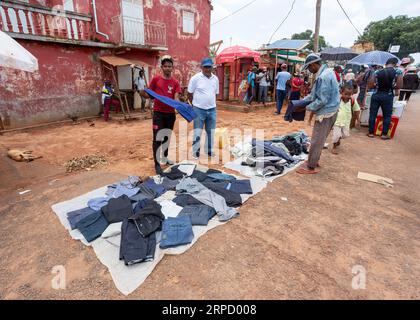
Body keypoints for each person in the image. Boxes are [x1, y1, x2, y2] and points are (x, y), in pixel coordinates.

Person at [296, 53, 340, 175]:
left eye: (309, 68)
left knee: (316, 140)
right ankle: (315, 160)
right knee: (321, 139)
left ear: (314, 65)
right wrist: (302, 101)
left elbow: (322, 100)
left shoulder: (323, 77)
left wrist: (306, 107)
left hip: (326, 113)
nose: (310, 71)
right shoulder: (327, 72)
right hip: (332, 110)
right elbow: (315, 94)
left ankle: (310, 167)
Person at [141, 55, 181, 174]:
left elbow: (176, 98)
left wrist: (179, 106)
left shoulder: (175, 82)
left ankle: (164, 157)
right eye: (166, 66)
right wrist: (142, 93)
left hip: (170, 114)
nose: (168, 68)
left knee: (167, 138)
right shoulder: (156, 80)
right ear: (162, 67)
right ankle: (157, 164)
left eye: (170, 66)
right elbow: (150, 94)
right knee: (157, 139)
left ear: (172, 68)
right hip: (158, 114)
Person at [188, 57, 220, 159]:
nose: (207, 69)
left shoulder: (215, 79)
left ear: (212, 67)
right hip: (198, 110)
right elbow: (189, 93)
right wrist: (194, 105)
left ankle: (209, 150)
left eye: (209, 67)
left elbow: (216, 94)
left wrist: (212, 104)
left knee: (210, 131)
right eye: (205, 67)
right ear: (201, 67)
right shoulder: (195, 78)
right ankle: (196, 151)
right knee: (198, 131)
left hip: (212, 110)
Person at [367, 57, 403, 140]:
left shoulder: (377, 71)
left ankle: (371, 133)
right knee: (387, 115)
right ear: (395, 64)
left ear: (386, 63)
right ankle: (384, 134)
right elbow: (399, 86)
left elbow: (370, 85)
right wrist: (392, 87)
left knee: (373, 114)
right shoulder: (398, 71)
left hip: (376, 95)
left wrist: (376, 86)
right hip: (388, 96)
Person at [331, 84, 361, 155]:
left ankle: (338, 139)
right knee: (336, 135)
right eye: (346, 94)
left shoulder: (353, 101)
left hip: (346, 122)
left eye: (349, 94)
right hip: (337, 121)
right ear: (341, 93)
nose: (347, 96)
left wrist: (358, 119)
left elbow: (357, 110)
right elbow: (332, 107)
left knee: (345, 135)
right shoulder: (337, 100)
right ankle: (334, 147)